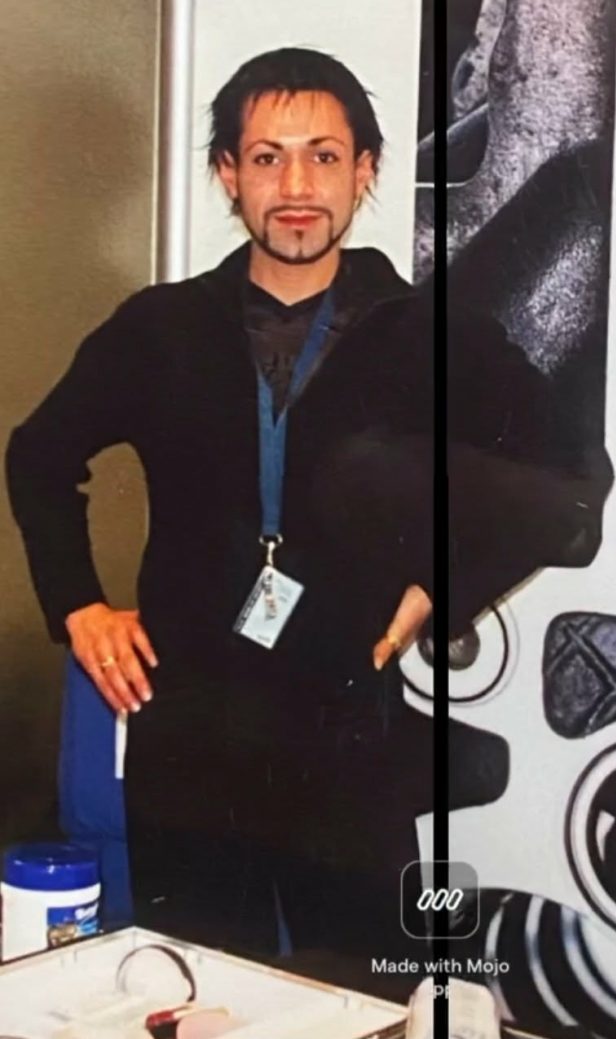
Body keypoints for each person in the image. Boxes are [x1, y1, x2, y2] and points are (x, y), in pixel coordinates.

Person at [6, 47, 435, 995]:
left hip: (348, 729)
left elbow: (549, 478)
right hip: (193, 735)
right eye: (268, 157)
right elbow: (37, 457)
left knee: (368, 994)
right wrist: (80, 606)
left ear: (364, 171)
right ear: (228, 174)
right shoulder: (158, 327)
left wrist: (444, 579)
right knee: (197, 992)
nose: (297, 186)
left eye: (324, 156)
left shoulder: (421, 336)